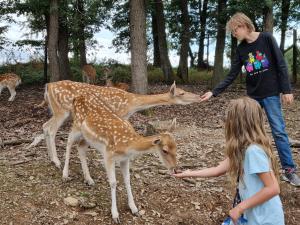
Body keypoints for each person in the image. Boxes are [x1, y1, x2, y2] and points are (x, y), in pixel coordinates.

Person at [200, 12, 299, 186]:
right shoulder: (241, 49)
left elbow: (281, 64)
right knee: (247, 132)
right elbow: (232, 74)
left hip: (270, 94)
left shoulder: (267, 39)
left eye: (234, 30)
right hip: (253, 97)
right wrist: (214, 92)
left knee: (278, 131)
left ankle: (289, 171)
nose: (234, 34)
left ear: (244, 25)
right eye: (232, 32)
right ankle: (249, 167)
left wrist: (286, 90)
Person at [174, 97, 284, 225]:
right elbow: (217, 170)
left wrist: (239, 208)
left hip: (265, 219)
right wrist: (188, 173)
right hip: (252, 216)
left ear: (237, 123)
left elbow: (273, 188)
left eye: (229, 118)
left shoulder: (253, 151)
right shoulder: (243, 150)